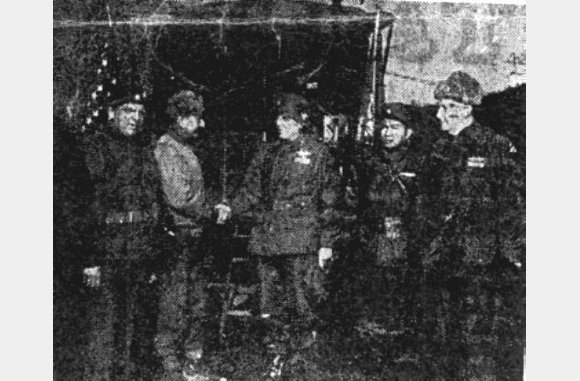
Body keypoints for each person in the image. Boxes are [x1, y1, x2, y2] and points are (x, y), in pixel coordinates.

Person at [224, 93, 341, 379]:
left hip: (301, 242)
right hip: (268, 239)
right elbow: (250, 191)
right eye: (278, 118)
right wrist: (230, 209)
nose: (280, 124)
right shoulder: (267, 152)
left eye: (286, 119)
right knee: (268, 305)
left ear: (302, 122)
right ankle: (275, 358)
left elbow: (330, 203)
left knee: (302, 304)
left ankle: (301, 363)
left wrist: (326, 244)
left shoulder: (318, 153)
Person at [422, 71, 524, 379]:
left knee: (478, 342)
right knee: (442, 340)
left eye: (446, 106)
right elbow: (426, 203)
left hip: (480, 262)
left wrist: (512, 252)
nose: (439, 114)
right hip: (443, 258)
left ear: (465, 108)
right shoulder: (438, 149)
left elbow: (513, 204)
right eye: (439, 106)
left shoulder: (494, 146)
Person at [82, 90, 162, 380]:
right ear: (111, 113)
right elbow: (87, 204)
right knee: (104, 327)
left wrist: (151, 253)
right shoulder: (96, 147)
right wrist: (91, 258)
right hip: (107, 249)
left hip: (137, 248)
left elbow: (152, 201)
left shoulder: (143, 149)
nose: (135, 118)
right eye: (128, 110)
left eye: (140, 112)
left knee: (130, 326)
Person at [154, 89, 227, 381]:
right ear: (182, 119)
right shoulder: (168, 149)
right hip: (179, 237)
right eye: (197, 118)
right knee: (175, 302)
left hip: (194, 235)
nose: (201, 124)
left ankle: (190, 363)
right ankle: (170, 365)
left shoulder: (183, 148)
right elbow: (179, 197)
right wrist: (211, 212)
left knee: (195, 300)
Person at [353, 103, 430, 359]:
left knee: (403, 297)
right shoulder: (367, 162)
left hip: (406, 242)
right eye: (383, 127)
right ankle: (372, 354)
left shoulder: (421, 163)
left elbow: (427, 206)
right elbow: (353, 199)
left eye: (395, 127)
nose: (387, 132)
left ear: (408, 133)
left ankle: (401, 354)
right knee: (372, 296)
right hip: (372, 241)